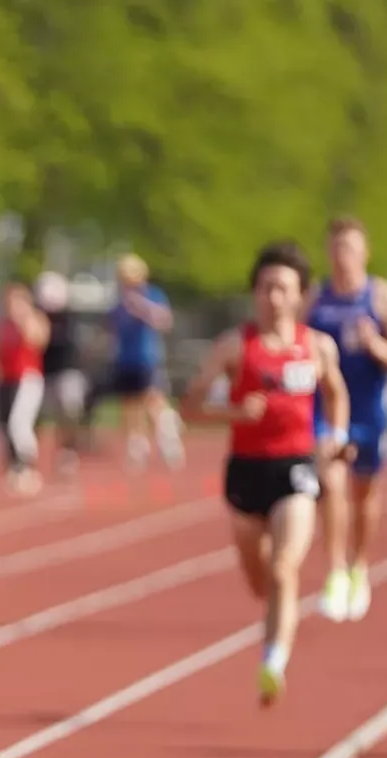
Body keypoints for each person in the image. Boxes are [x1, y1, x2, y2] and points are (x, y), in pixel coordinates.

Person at [180, 240, 348, 706]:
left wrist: (333, 435)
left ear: (299, 296)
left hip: (296, 467)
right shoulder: (235, 346)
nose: (273, 297)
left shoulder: (317, 346)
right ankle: (275, 623)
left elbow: (335, 393)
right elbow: (189, 407)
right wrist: (234, 412)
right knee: (259, 580)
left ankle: (273, 662)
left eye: (283, 288)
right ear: (255, 293)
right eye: (266, 288)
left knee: (283, 567)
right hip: (245, 473)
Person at [302, 217, 387, 622]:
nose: (342, 256)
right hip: (326, 407)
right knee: (330, 481)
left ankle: (359, 567)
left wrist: (375, 345)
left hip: (369, 409)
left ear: (364, 252)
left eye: (349, 248)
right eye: (335, 248)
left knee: (364, 494)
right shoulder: (315, 297)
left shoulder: (383, 298)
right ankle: (334, 572)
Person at [108, 253, 185, 471]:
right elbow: (114, 329)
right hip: (125, 359)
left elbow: (164, 320)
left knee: (153, 400)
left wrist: (141, 306)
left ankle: (168, 435)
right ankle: (137, 447)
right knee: (130, 405)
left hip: (147, 358)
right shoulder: (119, 302)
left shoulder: (152, 295)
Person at [0, 280, 48, 493]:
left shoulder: (33, 320)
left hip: (27, 379)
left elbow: (38, 341)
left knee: (19, 423)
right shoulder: (2, 325)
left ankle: (27, 465)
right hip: (6, 379)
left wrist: (23, 319)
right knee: (5, 425)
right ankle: (13, 465)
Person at [35, 270, 88, 477]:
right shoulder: (37, 316)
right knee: (37, 416)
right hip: (43, 374)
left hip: (66, 372)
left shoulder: (68, 319)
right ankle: (30, 457)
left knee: (68, 411)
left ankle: (67, 452)